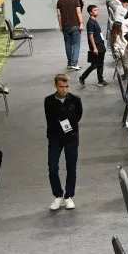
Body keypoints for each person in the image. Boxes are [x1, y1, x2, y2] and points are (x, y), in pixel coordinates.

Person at [45, 74, 82, 210]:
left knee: (71, 167)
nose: (64, 90)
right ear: (55, 86)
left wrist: (66, 124)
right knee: (52, 168)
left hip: (71, 138)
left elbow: (77, 116)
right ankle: (58, 196)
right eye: (61, 87)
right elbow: (50, 119)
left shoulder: (75, 100)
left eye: (67, 86)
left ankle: (68, 196)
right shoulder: (48, 101)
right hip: (55, 138)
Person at [78, 5, 108, 88]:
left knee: (100, 64)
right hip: (96, 46)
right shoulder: (90, 23)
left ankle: (100, 80)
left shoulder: (94, 21)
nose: (97, 11)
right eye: (95, 10)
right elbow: (90, 36)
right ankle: (82, 77)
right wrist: (94, 48)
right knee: (95, 64)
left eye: (97, 9)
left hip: (100, 45)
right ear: (90, 12)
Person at [56, 0, 83, 71]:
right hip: (75, 25)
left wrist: (60, 25)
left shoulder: (59, 1)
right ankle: (74, 63)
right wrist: (81, 23)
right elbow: (78, 12)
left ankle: (69, 63)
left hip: (65, 26)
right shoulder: (75, 0)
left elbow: (59, 15)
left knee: (68, 44)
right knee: (76, 44)